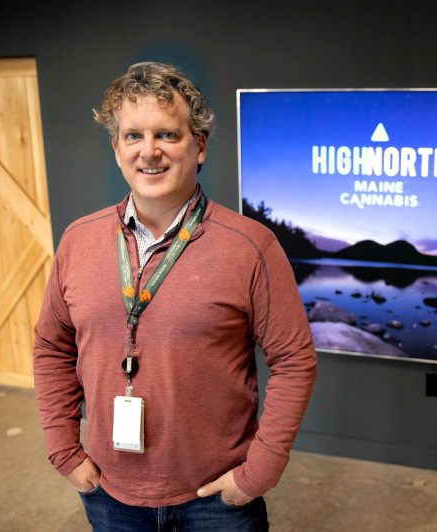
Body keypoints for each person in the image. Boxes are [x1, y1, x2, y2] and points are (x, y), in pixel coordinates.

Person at [33, 61, 318, 531]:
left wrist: (259, 472)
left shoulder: (251, 245)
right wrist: (63, 449)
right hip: (109, 492)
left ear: (199, 145)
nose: (150, 152)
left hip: (215, 498)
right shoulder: (78, 240)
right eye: (133, 136)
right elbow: (51, 345)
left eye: (167, 135)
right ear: (117, 148)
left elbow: (294, 358)